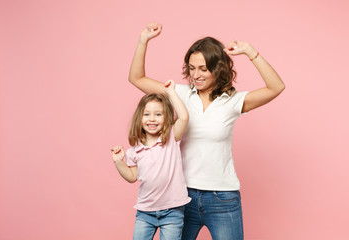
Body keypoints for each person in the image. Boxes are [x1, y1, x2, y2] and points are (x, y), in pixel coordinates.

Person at [128, 22, 285, 240]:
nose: (196, 75)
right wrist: (143, 40)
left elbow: (276, 87)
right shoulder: (179, 94)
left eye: (203, 69)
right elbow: (137, 78)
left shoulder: (233, 101)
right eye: (192, 68)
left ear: (218, 68)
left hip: (223, 199)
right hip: (181, 197)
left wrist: (250, 51)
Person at [111, 80, 191, 240]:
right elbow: (132, 177)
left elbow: (183, 117)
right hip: (145, 212)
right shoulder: (135, 151)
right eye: (147, 114)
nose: (152, 119)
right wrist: (119, 162)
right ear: (139, 118)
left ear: (166, 117)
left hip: (172, 211)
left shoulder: (171, 138)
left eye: (158, 114)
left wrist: (171, 93)